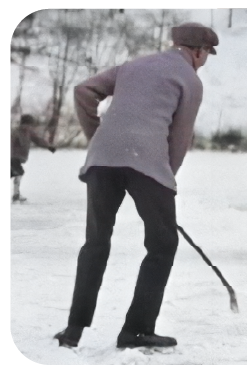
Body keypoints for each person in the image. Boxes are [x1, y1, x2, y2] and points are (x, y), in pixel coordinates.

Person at [54, 22, 216, 350]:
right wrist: (165, 178)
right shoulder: (190, 80)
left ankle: (73, 331)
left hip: (102, 162)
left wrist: (98, 139)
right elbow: (180, 137)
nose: (205, 61)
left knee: (95, 244)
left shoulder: (132, 66)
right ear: (197, 51)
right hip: (147, 164)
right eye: (207, 54)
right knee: (162, 245)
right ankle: (136, 331)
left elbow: (84, 91)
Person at [13, 114, 37, 203]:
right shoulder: (17, 132)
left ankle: (16, 194)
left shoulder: (27, 132)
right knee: (18, 173)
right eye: (30, 124)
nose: (30, 126)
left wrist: (48, 146)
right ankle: (16, 195)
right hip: (12, 157)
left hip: (17, 158)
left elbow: (37, 139)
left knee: (18, 174)